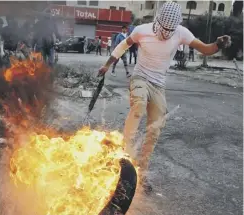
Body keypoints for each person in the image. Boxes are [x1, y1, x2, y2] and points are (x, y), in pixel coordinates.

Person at [97, 2, 231, 193]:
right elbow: (122, 46)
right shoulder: (142, 31)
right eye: (164, 29)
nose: (166, 33)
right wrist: (107, 64)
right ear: (157, 21)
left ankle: (140, 172)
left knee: (155, 130)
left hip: (158, 85)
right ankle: (123, 152)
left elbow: (205, 49)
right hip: (140, 77)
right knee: (139, 106)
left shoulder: (181, 33)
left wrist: (218, 44)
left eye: (170, 30)